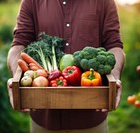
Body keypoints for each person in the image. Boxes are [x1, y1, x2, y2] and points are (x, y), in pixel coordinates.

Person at [7, 0, 125, 133]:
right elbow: (19, 43)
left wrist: (114, 80)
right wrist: (16, 79)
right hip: (43, 119)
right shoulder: (31, 2)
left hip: (92, 118)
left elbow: (114, 45)